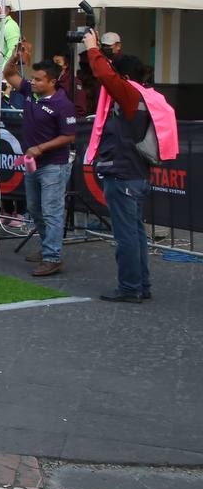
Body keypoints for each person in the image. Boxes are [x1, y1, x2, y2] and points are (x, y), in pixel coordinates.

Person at [83, 31, 163, 303]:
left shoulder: (128, 94)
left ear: (125, 77)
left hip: (123, 176)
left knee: (126, 235)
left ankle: (130, 287)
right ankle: (141, 284)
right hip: (136, 175)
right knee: (137, 233)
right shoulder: (143, 95)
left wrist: (93, 48)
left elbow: (106, 76)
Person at [4, 50, 76, 277]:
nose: (32, 82)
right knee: (35, 208)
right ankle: (48, 249)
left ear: (52, 82)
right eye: (33, 78)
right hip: (33, 164)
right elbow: (8, 74)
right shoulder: (29, 92)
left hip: (53, 165)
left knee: (51, 211)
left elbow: (70, 136)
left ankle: (52, 257)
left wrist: (41, 148)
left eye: (38, 79)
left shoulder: (62, 104)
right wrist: (14, 60)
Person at [0, 1, 21, 73]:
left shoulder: (11, 25)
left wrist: (3, 69)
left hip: (0, 69)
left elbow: (13, 50)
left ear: (7, 10)